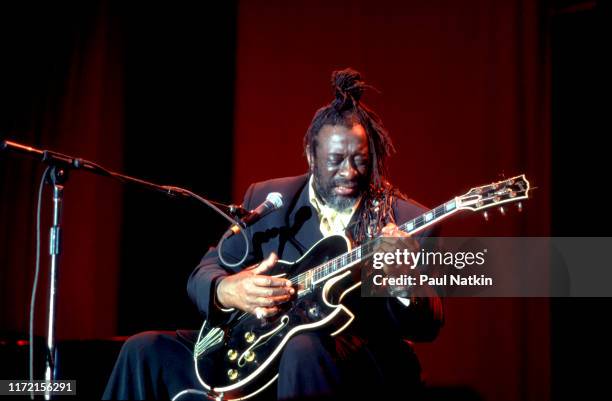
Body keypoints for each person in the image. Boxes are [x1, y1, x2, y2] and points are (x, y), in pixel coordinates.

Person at [103, 68, 444, 400]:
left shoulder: (404, 218)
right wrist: (228, 289)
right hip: (259, 349)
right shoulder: (270, 201)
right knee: (144, 350)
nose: (349, 172)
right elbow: (202, 274)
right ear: (311, 156)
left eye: (360, 160)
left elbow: (428, 325)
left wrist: (401, 278)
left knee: (303, 347)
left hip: (358, 365)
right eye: (336, 160)